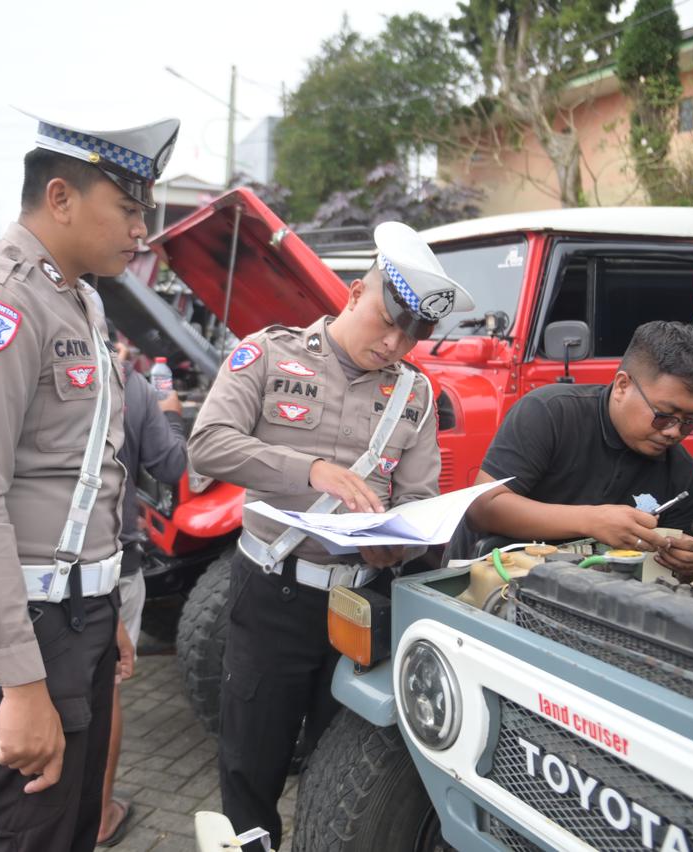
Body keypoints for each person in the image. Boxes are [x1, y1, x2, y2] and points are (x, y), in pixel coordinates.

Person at [0, 107, 178, 852]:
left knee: (69, 831)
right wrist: (20, 683)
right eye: (127, 208)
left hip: (72, 619)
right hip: (11, 633)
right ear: (60, 197)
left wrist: (100, 600)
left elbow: (87, 469)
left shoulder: (76, 297)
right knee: (23, 834)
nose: (141, 231)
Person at [188, 221, 471, 850]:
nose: (395, 343)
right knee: (251, 757)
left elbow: (418, 497)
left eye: (413, 335)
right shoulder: (268, 354)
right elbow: (207, 444)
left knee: (339, 760)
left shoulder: (416, 393)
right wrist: (311, 470)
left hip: (358, 602)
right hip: (273, 592)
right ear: (353, 293)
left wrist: (399, 541)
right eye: (387, 322)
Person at [464, 320, 693, 579]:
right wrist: (592, 521)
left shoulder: (681, 473)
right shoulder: (551, 414)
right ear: (622, 386)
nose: (674, 432)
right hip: (492, 583)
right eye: (663, 415)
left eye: (691, 422)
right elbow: (483, 507)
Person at [96, 327, 187, 847]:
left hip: (30, 563)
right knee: (101, 689)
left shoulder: (23, 368)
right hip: (112, 562)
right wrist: (171, 413)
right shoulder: (130, 384)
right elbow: (171, 464)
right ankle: (99, 815)